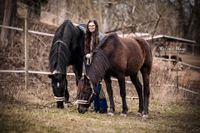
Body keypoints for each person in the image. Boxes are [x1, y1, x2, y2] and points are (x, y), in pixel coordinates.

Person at [84, 19, 107, 113]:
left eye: (93, 26)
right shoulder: (87, 36)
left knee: (98, 85)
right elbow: (85, 49)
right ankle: (96, 107)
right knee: (93, 85)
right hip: (89, 63)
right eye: (89, 26)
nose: (91, 27)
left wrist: (92, 54)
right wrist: (86, 54)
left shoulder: (100, 37)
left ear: (96, 26)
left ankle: (103, 107)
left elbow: (102, 51)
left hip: (98, 64)